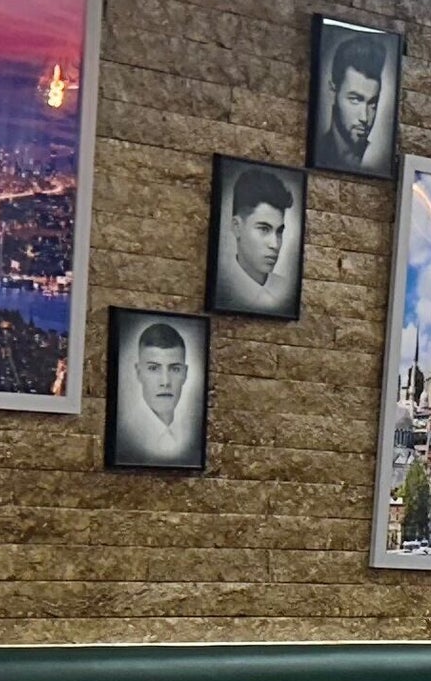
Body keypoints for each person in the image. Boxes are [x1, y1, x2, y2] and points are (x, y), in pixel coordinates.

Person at [115, 319, 200, 464]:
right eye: (154, 368)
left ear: (185, 373)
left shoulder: (193, 434)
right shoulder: (125, 432)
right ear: (138, 372)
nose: (165, 382)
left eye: (174, 369)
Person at [215, 163, 298, 311]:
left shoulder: (287, 292)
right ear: (237, 227)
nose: (275, 244)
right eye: (264, 229)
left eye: (279, 231)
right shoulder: (222, 286)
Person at [315, 33, 393, 173]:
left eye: (372, 104)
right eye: (355, 99)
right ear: (333, 92)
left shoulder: (377, 161)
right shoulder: (319, 149)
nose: (364, 117)